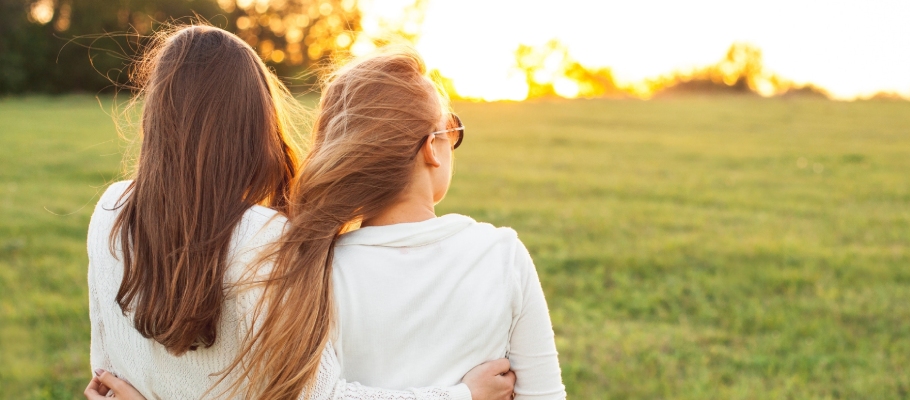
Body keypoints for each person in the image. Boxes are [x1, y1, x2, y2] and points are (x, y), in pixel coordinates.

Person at [85, 25, 514, 399]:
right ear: (257, 120)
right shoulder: (263, 237)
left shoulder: (109, 211)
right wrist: (461, 395)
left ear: (156, 115)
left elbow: (105, 376)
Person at [233, 48, 566, 399]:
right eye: (450, 131)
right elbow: (546, 395)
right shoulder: (501, 255)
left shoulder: (315, 270)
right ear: (430, 149)